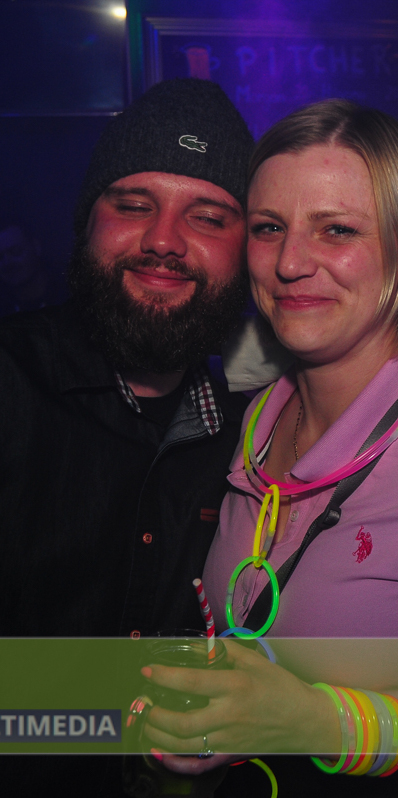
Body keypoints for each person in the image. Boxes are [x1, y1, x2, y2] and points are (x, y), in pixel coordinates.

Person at [140, 99, 398, 796]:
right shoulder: (245, 423)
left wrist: (318, 722)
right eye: (269, 228)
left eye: (336, 230)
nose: (291, 262)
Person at [0, 78, 253, 795]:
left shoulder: (250, 430)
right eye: (134, 205)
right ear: (86, 222)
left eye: (208, 217)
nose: (163, 240)